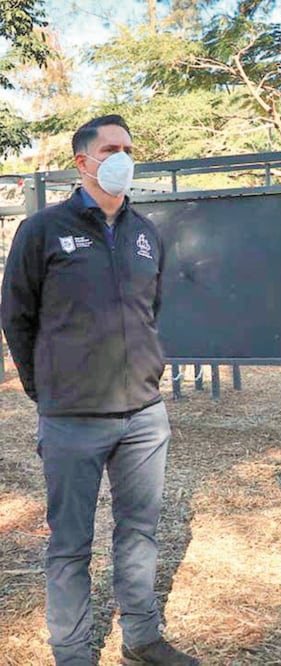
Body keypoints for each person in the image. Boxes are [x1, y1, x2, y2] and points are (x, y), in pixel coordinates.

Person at [1, 115, 199, 666]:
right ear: (82, 161)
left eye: (129, 148)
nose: (123, 157)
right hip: (72, 417)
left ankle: (141, 638)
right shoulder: (43, 229)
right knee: (69, 546)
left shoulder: (144, 233)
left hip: (143, 416)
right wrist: (49, 390)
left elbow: (149, 311)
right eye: (111, 148)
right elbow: (16, 315)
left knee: (139, 533)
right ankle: (72, 653)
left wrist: (148, 376)